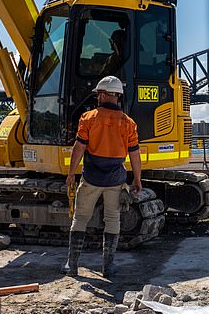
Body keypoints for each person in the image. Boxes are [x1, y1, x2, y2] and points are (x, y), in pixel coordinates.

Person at [63, 75, 142, 278]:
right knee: (112, 220)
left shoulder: (88, 118)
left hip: (91, 178)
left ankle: (72, 266)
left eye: (99, 94)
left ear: (106, 94)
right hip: (115, 179)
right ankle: (108, 266)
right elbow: (134, 154)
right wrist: (137, 179)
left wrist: (71, 174)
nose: (97, 97)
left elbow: (79, 148)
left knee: (80, 218)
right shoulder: (128, 123)